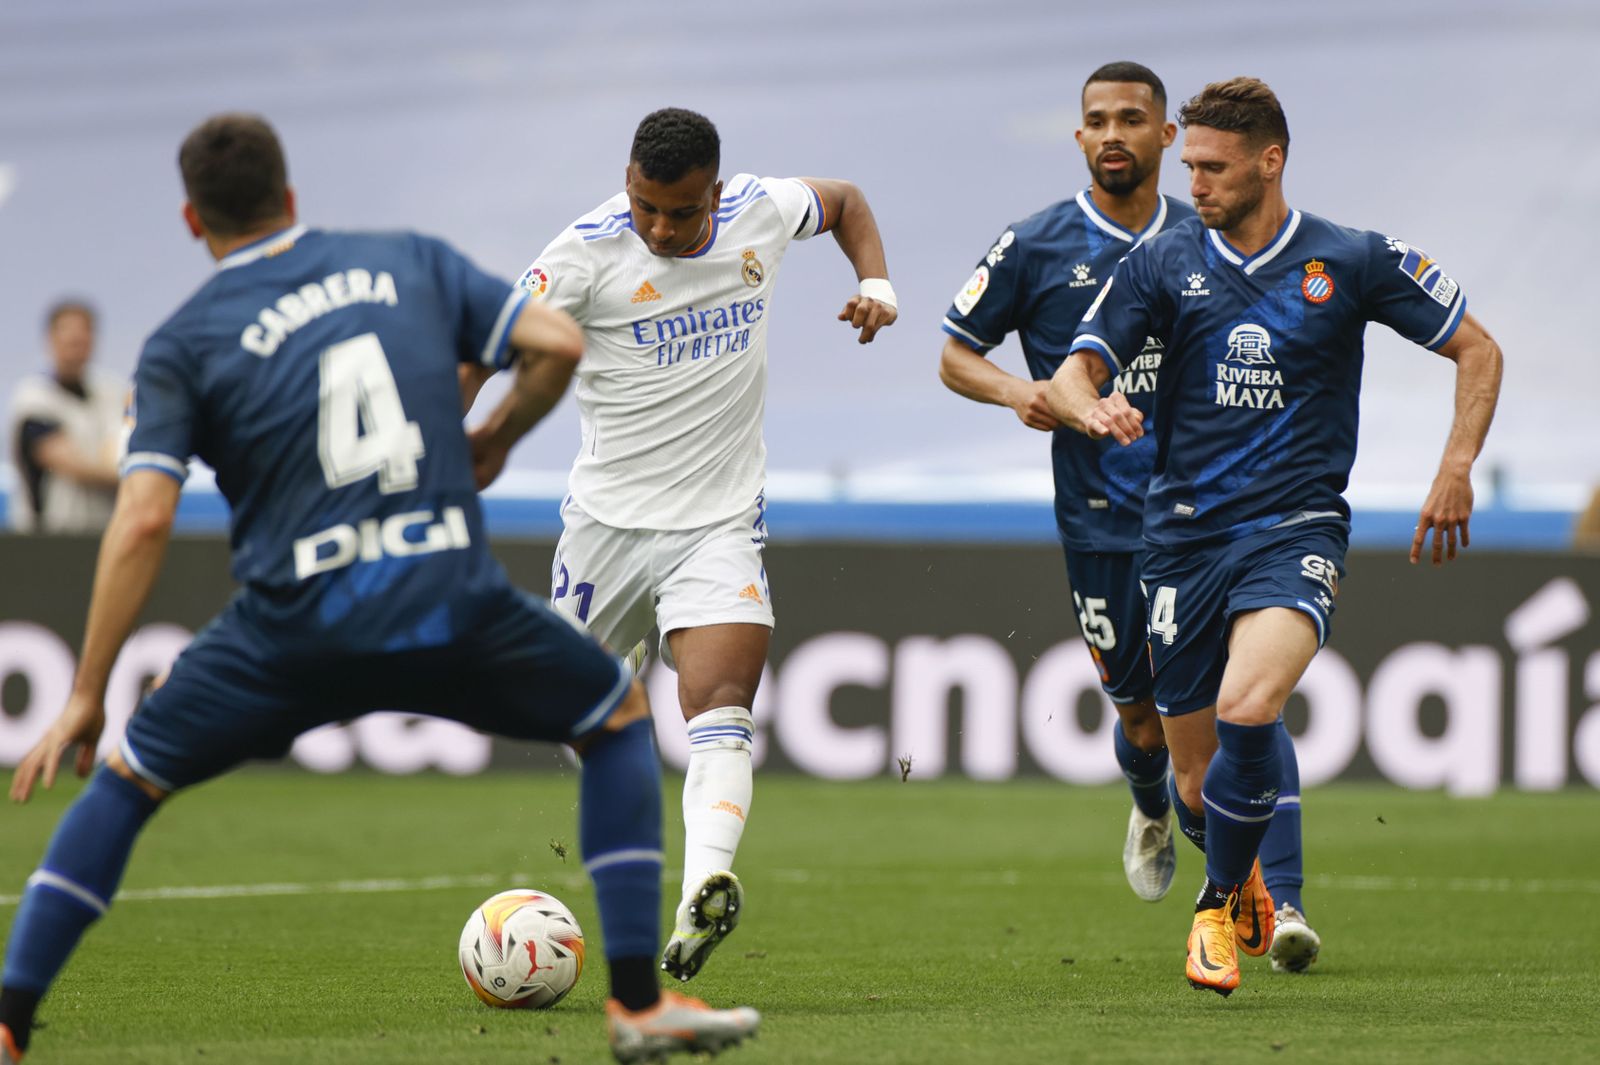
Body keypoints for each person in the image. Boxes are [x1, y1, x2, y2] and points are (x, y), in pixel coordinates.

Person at [0, 113, 757, 1065]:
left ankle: (10, 1021)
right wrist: (495, 439)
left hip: (287, 623)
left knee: (127, 781)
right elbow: (557, 343)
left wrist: (84, 693)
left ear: (193, 221)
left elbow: (144, 518)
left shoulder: (180, 343)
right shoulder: (408, 261)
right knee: (614, 717)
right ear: (291, 197)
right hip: (444, 593)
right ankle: (639, 1004)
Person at [1047, 77, 1502, 996]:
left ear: (1270, 161)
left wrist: (1457, 466)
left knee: (1251, 705)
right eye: (1190, 167)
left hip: (1295, 528)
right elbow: (1073, 371)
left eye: (1213, 168)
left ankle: (1216, 907)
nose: (1195, 184)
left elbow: (1478, 349)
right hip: (1180, 541)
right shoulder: (1163, 263)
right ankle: (1245, 877)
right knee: (1193, 782)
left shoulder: (1353, 258)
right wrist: (1087, 404)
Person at [469, 107, 896, 984]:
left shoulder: (760, 210)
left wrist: (878, 283)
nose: (661, 229)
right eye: (646, 208)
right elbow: (487, 345)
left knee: (721, 704)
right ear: (627, 183)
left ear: (716, 192)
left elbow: (847, 200)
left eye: (682, 212)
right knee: (584, 719)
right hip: (607, 530)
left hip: (718, 523)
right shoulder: (583, 254)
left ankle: (704, 884)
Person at [939, 60, 1317, 949]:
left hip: (1214, 519)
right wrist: (1022, 391)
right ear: (1080, 136)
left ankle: (1281, 900)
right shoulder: (1034, 244)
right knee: (1143, 722)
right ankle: (1150, 804)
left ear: (1165, 136)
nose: (1113, 134)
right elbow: (954, 353)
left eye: (1132, 119)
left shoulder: (1211, 236)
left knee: (1246, 699)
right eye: (1098, 120)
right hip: (1102, 522)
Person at [7, 300, 124, 533]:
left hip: (103, 530)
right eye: (69, 339)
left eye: (82, 339)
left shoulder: (111, 392)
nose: (75, 347)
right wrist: (133, 475)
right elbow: (72, 465)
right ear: (51, 339)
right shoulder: (33, 398)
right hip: (47, 535)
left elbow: (117, 445)